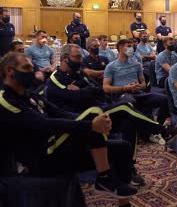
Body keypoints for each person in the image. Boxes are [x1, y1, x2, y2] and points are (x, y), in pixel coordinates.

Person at [0, 52, 138, 203]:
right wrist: (89, 125)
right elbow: (43, 125)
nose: (31, 72)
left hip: (57, 148)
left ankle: (122, 200)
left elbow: (59, 113)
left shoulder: (31, 95)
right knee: (93, 113)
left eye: (32, 68)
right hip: (41, 158)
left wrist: (92, 123)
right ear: (9, 71)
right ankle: (104, 177)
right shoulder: (5, 100)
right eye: (26, 67)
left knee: (122, 148)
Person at [45, 43, 177, 186]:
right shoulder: (55, 79)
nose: (80, 60)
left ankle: (129, 169)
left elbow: (98, 89)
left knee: (129, 121)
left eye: (81, 57)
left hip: (99, 109)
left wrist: (81, 91)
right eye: (77, 57)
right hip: (81, 118)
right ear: (65, 58)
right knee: (125, 107)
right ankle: (161, 130)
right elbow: (76, 98)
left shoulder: (80, 74)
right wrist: (85, 92)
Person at [103, 39, 171, 128]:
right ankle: (155, 129)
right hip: (122, 94)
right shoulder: (111, 66)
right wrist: (124, 88)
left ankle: (159, 124)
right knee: (131, 102)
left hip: (138, 92)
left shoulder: (136, 65)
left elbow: (143, 84)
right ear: (120, 48)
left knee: (165, 99)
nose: (132, 49)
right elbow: (106, 87)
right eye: (129, 46)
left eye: (132, 46)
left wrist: (139, 86)